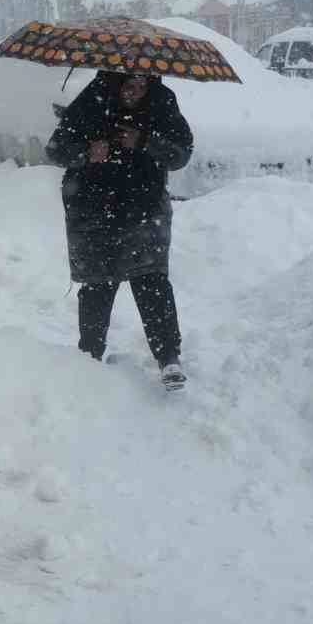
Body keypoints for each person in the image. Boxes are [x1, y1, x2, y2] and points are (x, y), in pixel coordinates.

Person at [45, 69, 193, 391]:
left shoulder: (163, 102)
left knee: (151, 281)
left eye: (142, 85)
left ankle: (168, 357)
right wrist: (87, 152)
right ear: (116, 80)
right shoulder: (93, 100)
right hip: (95, 210)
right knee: (98, 285)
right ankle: (89, 357)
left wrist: (145, 142)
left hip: (144, 208)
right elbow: (56, 149)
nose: (135, 91)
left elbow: (181, 154)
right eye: (129, 85)